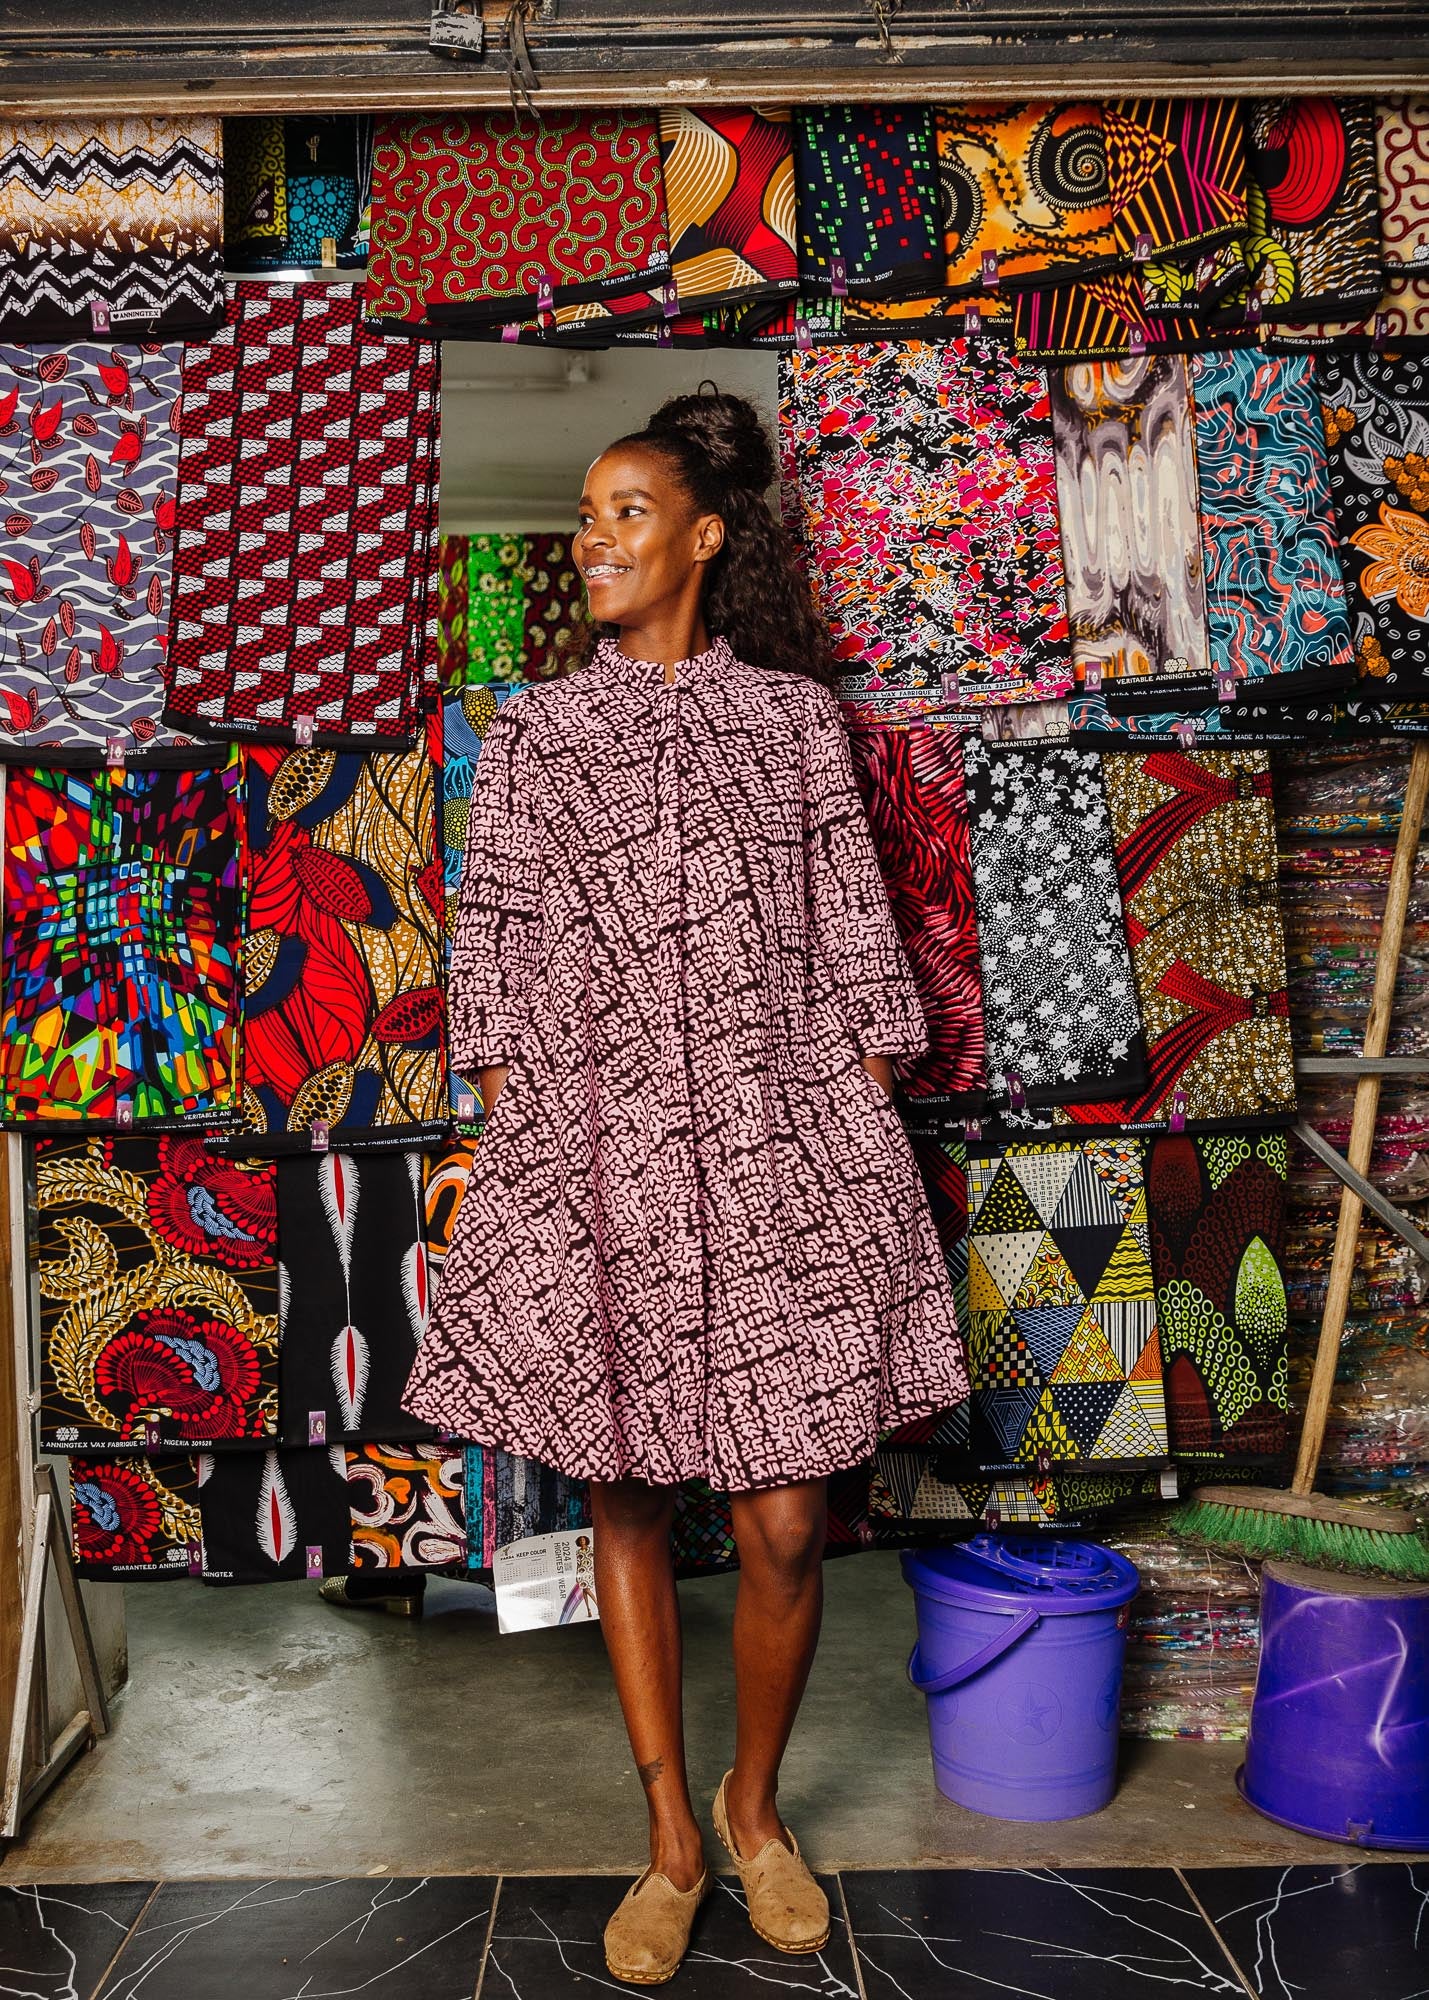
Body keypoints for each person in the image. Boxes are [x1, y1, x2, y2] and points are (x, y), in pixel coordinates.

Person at [402, 387, 967, 1986]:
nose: (591, 537)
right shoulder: (534, 733)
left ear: (703, 537)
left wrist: (858, 1130)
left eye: (625, 511)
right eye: (583, 515)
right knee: (627, 1491)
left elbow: (856, 932)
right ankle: (667, 1837)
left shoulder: (791, 721)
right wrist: (516, 1147)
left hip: (776, 1143)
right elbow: (494, 960)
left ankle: (753, 1805)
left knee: (785, 1523)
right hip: (602, 1155)